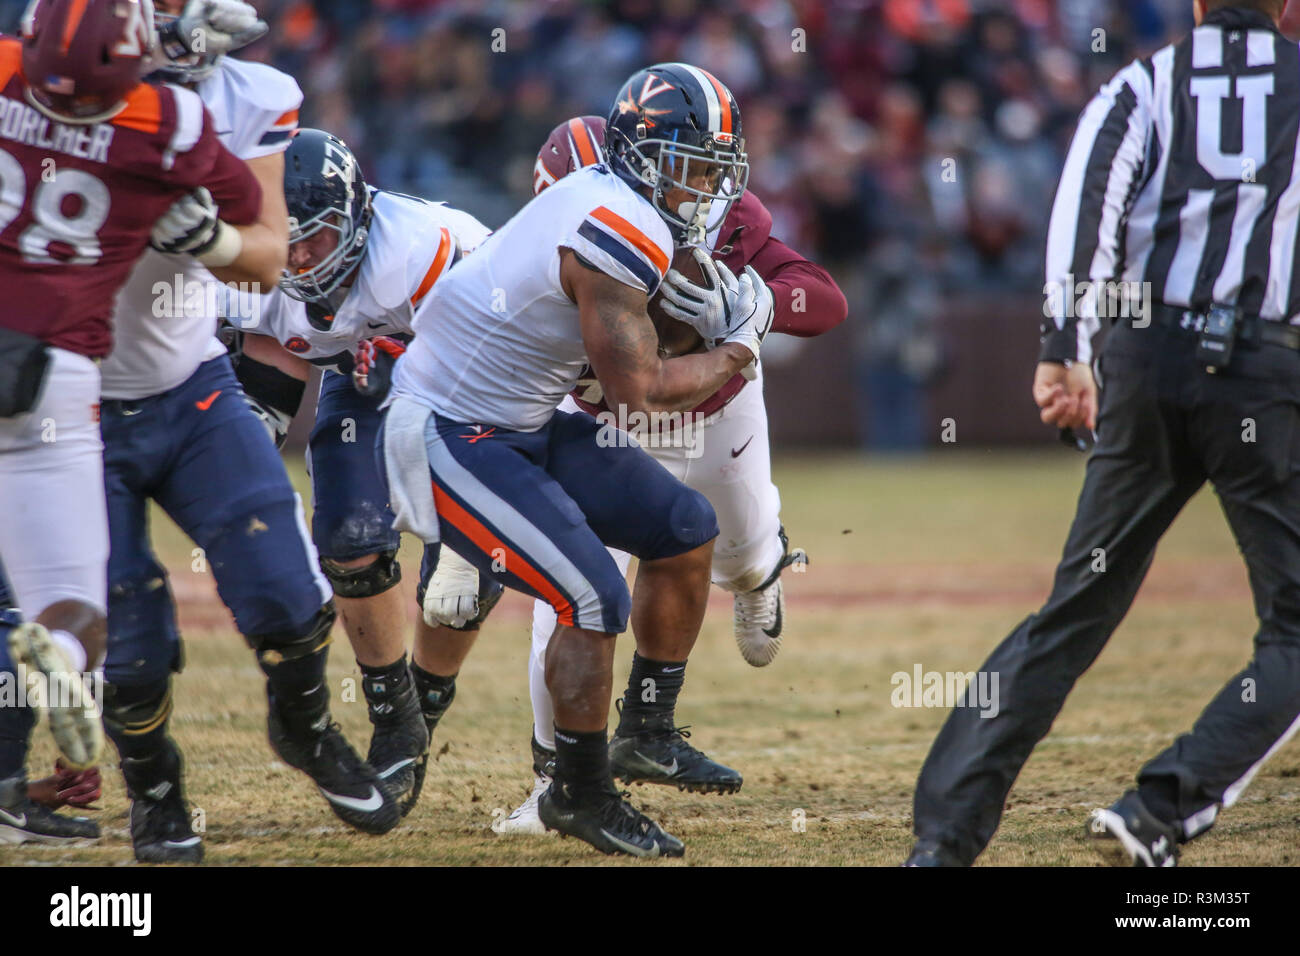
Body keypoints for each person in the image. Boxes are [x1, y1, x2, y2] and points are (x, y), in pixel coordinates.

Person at [906, 0, 1300, 867]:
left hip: (1147, 362)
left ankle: (944, 838)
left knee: (1076, 607)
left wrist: (1063, 353)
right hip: (1264, 378)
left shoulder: (1143, 83)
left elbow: (1086, 211)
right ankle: (1163, 805)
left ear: (1196, 4)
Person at [382, 62, 772, 857]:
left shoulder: (615, 198)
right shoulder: (615, 230)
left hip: (518, 419)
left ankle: (646, 731)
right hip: (451, 430)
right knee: (592, 596)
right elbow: (640, 395)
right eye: (691, 163)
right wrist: (739, 345)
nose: (705, 184)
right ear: (643, 154)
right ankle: (579, 793)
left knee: (683, 528)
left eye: (716, 167)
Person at [436, 114, 847, 834]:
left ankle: (760, 567)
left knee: (744, 560)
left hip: (721, 415)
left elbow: (827, 298)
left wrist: (761, 304)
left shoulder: (713, 214)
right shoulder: (549, 251)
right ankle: (557, 780)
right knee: (567, 596)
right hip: (617, 426)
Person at [95, 3, 400, 865]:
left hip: (190, 383)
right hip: (73, 401)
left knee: (289, 598)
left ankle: (303, 728)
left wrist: (217, 237)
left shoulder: (255, 95)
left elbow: (265, 258)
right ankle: (156, 794)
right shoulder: (50, 101)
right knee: (133, 635)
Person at [0, 0, 266, 811]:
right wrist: (174, 57)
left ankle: (14, 781)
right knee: (69, 599)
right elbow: (247, 206)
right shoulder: (169, 117)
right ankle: (70, 668)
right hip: (49, 376)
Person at [234, 128, 496, 815]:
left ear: (356, 217)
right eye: (285, 237)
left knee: (460, 580)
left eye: (315, 237)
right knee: (349, 535)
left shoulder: (421, 249)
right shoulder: (262, 271)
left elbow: (498, 359)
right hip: (362, 373)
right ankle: (394, 715)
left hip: (478, 380)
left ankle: (428, 702)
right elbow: (272, 366)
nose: (297, 257)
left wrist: (401, 364)